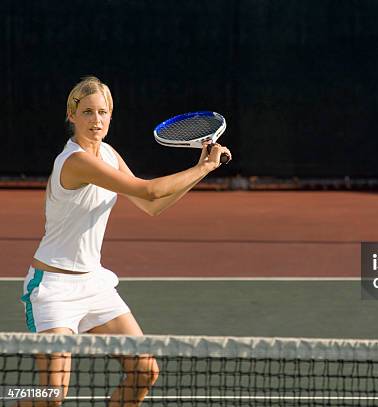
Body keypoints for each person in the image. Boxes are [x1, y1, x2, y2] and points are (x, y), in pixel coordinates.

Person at [19, 76, 231, 407]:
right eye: (87, 112)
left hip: (94, 285)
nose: (96, 120)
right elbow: (149, 190)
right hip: (54, 288)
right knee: (51, 396)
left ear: (111, 115)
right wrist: (204, 165)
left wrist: (202, 171)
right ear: (71, 116)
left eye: (103, 112)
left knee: (144, 371)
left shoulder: (107, 153)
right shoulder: (76, 161)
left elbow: (152, 206)